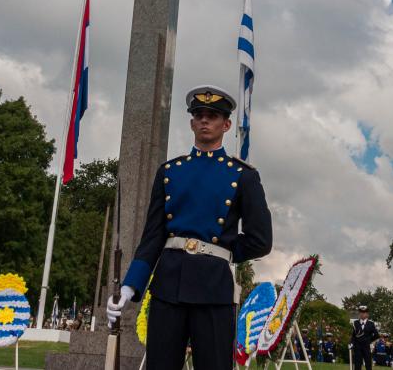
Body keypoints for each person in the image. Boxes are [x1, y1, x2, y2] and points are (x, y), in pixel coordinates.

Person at [106, 85, 273, 370]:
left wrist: (220, 252)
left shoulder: (243, 175)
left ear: (226, 124)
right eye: (199, 114)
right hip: (168, 284)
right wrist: (130, 285)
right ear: (192, 122)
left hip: (214, 288)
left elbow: (260, 240)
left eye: (213, 115)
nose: (205, 120)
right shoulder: (170, 172)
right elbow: (152, 237)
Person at [350, 305, 378, 370]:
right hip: (357, 347)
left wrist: (369, 341)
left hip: (366, 347)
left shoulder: (371, 324)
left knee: (368, 365)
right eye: (361, 312)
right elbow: (353, 335)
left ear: (367, 314)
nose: (362, 314)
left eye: (364, 312)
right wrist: (351, 343)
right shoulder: (355, 323)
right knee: (357, 365)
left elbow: (376, 335)